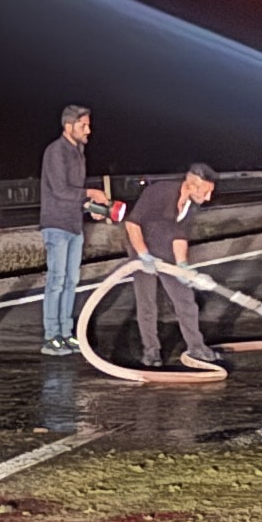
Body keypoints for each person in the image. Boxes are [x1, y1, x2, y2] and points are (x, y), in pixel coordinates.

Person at [119, 159, 223, 371]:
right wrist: (143, 255)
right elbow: (132, 224)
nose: (208, 198)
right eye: (205, 192)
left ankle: (196, 347)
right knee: (147, 303)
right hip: (142, 247)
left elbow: (180, 237)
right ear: (192, 185)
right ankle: (151, 351)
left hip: (167, 250)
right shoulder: (160, 191)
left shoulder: (191, 206)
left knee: (185, 300)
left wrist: (183, 265)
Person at [36, 103, 105, 354]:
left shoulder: (78, 152)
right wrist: (91, 193)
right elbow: (60, 190)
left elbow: (74, 195)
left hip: (75, 225)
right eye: (83, 125)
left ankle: (66, 333)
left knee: (71, 281)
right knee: (57, 280)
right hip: (57, 225)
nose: (88, 130)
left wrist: (91, 208)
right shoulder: (56, 151)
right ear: (68, 126)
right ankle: (51, 336)